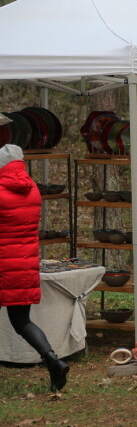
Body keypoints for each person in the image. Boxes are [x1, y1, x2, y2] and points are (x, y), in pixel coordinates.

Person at [0, 144, 69, 392]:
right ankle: (52, 359)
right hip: (25, 264)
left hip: (3, 264)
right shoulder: (33, 191)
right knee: (22, 322)